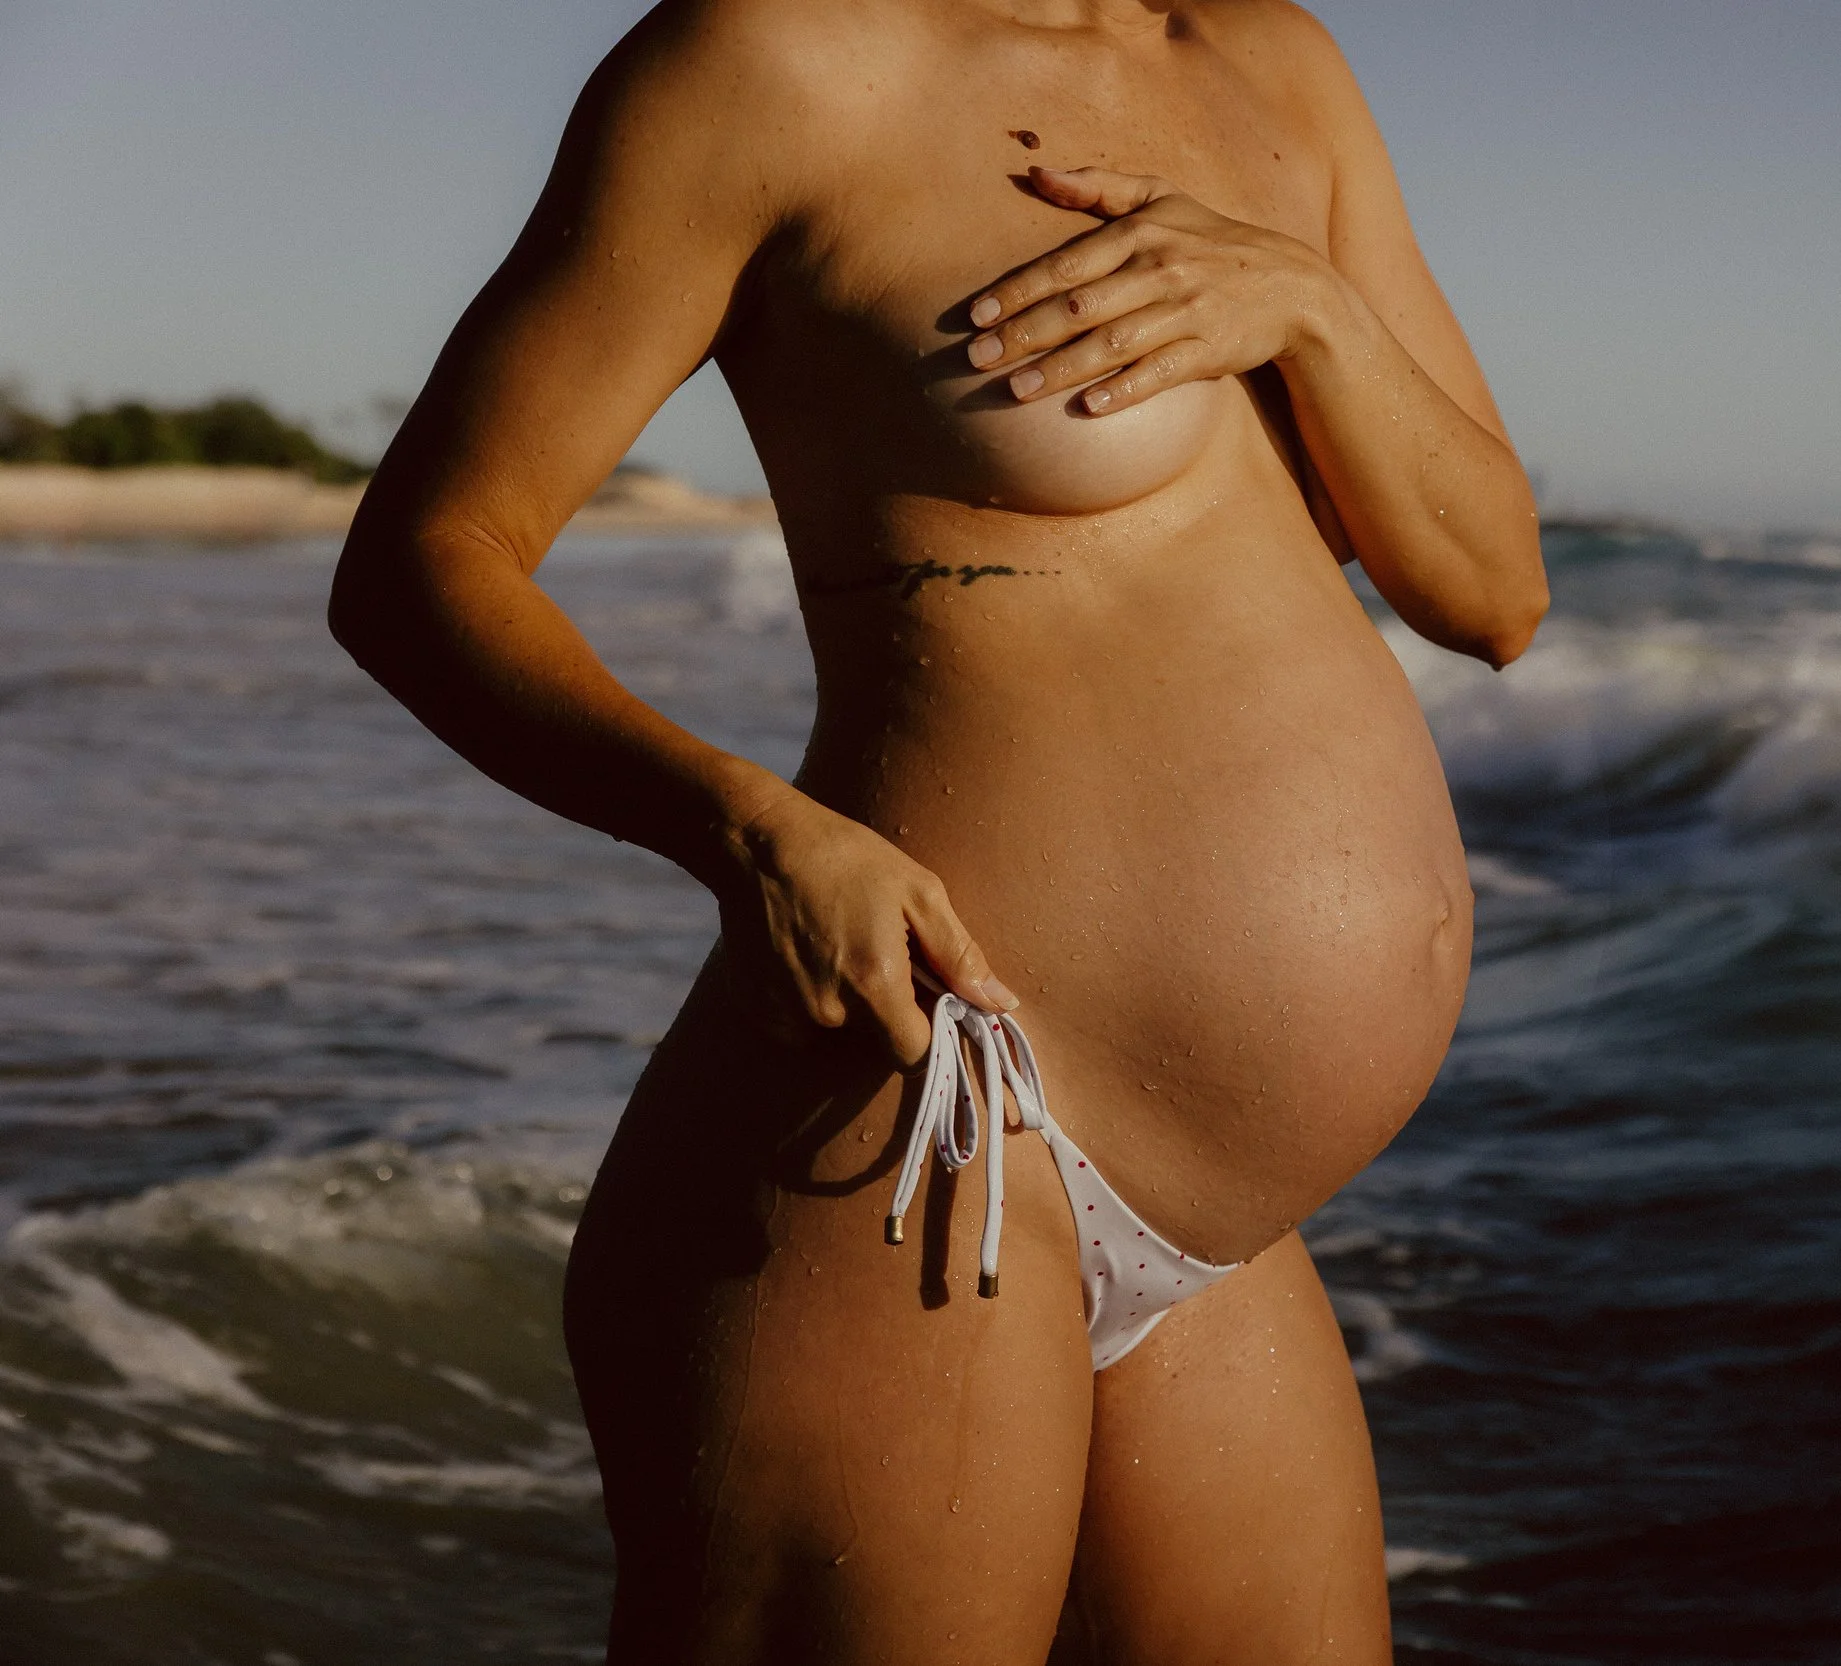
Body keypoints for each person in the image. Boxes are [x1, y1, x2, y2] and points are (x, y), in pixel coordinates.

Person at [327, 0, 1546, 1658]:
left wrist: (1311, 309)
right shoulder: (771, 64)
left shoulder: (1278, 70)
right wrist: (748, 828)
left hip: (1215, 1221)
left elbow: (1493, 591)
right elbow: (425, 558)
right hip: (931, 1129)